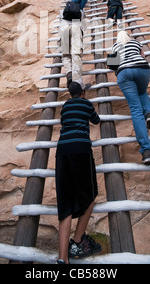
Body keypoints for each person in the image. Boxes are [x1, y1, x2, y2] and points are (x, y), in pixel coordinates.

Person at [55, 82, 102, 264]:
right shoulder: (87, 104)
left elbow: (63, 122)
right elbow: (96, 120)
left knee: (65, 203)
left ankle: (62, 259)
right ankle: (77, 240)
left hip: (62, 152)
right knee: (90, 195)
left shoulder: (65, 106)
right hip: (81, 150)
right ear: (83, 92)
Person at [112, 30, 150, 165]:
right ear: (128, 36)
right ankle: (149, 113)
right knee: (142, 92)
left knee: (135, 110)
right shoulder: (136, 42)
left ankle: (147, 151)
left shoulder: (115, 46)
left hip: (124, 72)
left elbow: (112, 65)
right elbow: (143, 56)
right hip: (142, 68)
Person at [59, 2, 89, 90]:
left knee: (65, 55)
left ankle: (69, 73)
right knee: (76, 54)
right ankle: (78, 83)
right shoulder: (80, 12)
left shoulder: (62, 12)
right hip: (76, 27)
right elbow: (84, 21)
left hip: (64, 27)